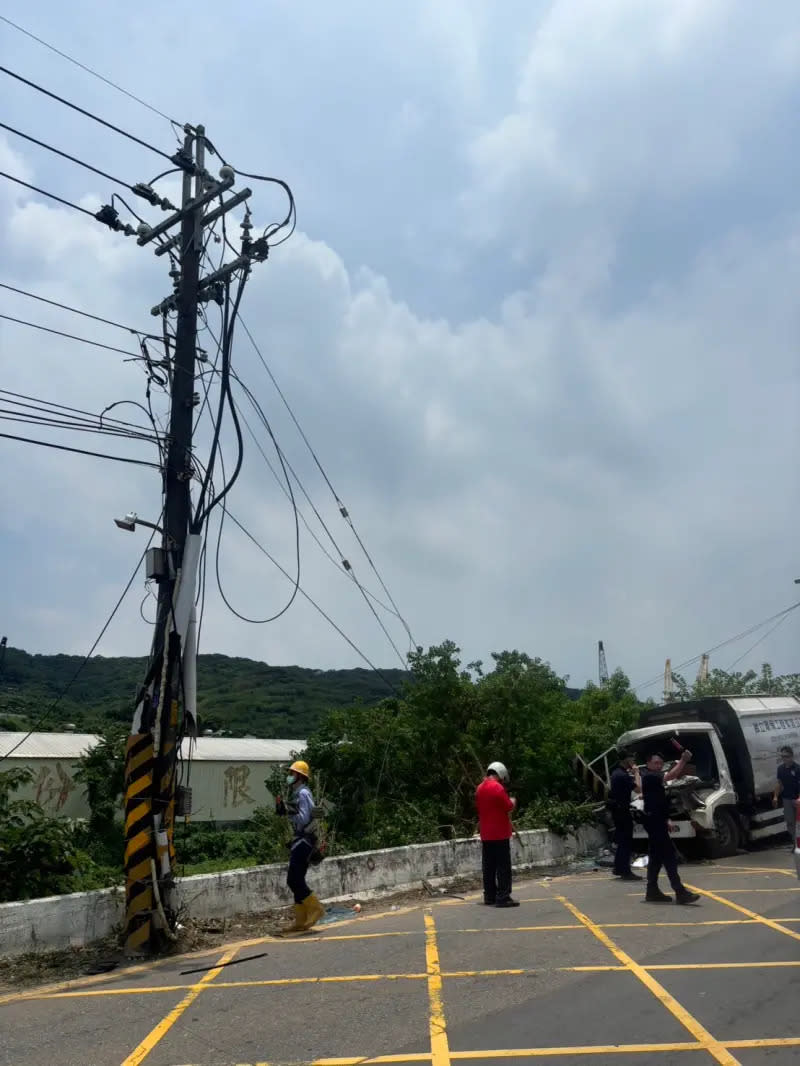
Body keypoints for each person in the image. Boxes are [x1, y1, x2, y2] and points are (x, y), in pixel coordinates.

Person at [641, 751, 699, 905]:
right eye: (655, 763)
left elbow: (659, 802)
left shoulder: (653, 777)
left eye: (660, 763)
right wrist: (683, 761)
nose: (658, 766)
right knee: (669, 856)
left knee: (656, 858)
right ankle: (680, 892)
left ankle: (651, 891)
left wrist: (667, 819)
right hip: (653, 822)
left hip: (657, 820)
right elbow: (670, 776)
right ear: (648, 764)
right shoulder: (649, 776)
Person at [275, 760, 325, 932]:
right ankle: (301, 920)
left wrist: (288, 811)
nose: (289, 776)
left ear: (300, 776)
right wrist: (285, 809)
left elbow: (303, 819)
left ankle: (315, 908)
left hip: (304, 841)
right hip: (300, 840)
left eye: (292, 773)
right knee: (297, 879)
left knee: (293, 879)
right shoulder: (299, 793)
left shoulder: (302, 793)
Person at [475, 760, 519, 908]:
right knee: (503, 867)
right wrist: (513, 801)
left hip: (486, 834)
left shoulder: (479, 788)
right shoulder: (498, 788)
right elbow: (507, 806)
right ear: (500, 774)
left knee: (488, 866)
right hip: (500, 833)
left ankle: (489, 896)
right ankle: (503, 896)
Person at [609, 751, 641, 881]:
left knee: (622, 841)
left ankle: (619, 868)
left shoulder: (616, 773)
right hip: (622, 811)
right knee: (626, 842)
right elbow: (638, 789)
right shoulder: (623, 775)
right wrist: (637, 773)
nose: (633, 762)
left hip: (617, 810)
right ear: (626, 760)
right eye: (631, 759)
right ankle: (625, 871)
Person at [772, 746, 800, 848]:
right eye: (783, 756)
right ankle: (795, 843)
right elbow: (779, 784)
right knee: (790, 822)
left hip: (797, 799)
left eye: (787, 756)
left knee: (798, 823)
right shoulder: (780, 769)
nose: (785, 759)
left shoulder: (797, 768)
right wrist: (775, 796)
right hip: (787, 799)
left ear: (792, 756)